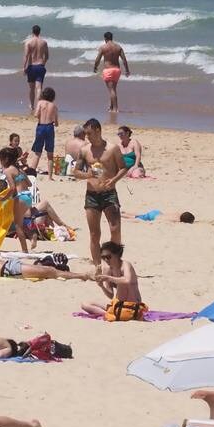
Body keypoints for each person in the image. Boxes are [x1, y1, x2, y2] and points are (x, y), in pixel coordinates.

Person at [74, 118, 125, 267]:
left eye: (89, 133)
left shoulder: (112, 148)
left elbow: (123, 167)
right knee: (94, 233)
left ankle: (115, 263)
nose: (87, 136)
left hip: (109, 193)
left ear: (98, 130)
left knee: (115, 230)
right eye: (86, 134)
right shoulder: (84, 150)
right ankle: (98, 267)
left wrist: (114, 180)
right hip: (92, 195)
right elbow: (76, 172)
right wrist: (87, 175)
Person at [80, 241, 145, 320]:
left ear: (117, 255)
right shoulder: (108, 270)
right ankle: (108, 313)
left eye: (108, 257)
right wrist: (101, 286)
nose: (106, 260)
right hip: (118, 305)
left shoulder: (125, 265)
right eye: (103, 257)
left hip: (133, 305)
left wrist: (108, 278)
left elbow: (127, 280)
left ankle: (113, 313)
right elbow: (110, 295)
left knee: (122, 282)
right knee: (85, 304)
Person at [92, 31, 129, 113]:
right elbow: (124, 60)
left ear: (105, 38)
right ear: (112, 38)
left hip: (108, 70)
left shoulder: (103, 47)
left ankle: (115, 109)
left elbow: (98, 59)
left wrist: (95, 67)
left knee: (111, 90)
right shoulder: (118, 47)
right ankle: (111, 107)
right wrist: (127, 70)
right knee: (113, 89)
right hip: (117, 70)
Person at [30, 86, 58, 179]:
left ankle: (32, 172)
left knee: (37, 152)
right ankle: (50, 176)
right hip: (50, 127)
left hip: (41, 127)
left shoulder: (40, 103)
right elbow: (56, 122)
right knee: (50, 153)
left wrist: (40, 116)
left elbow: (36, 114)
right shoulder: (53, 106)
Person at [22, 24, 49, 111]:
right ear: (39, 32)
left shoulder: (28, 42)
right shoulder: (44, 42)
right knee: (39, 87)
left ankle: (32, 105)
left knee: (31, 88)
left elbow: (26, 56)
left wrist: (24, 67)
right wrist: (43, 64)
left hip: (31, 66)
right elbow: (47, 56)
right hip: (40, 66)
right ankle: (39, 106)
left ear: (32, 32)